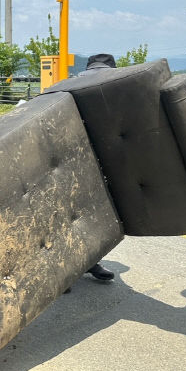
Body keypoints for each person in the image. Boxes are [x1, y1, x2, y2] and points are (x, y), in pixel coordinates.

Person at [74, 54, 117, 282]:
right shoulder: (71, 90)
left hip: (99, 164)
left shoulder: (114, 94)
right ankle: (68, 271)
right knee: (76, 217)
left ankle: (91, 261)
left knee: (92, 216)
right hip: (75, 162)